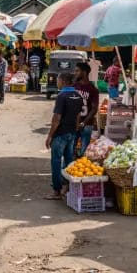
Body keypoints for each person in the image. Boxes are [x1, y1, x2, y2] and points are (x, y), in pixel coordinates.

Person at [44, 72, 83, 200]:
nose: (57, 82)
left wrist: (50, 136)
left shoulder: (62, 96)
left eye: (58, 80)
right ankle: (68, 188)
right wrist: (75, 129)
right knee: (69, 162)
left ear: (64, 81)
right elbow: (78, 116)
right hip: (71, 133)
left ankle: (57, 191)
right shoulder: (78, 96)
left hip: (60, 134)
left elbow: (57, 118)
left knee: (56, 161)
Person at [74, 63, 100, 156]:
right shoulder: (74, 86)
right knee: (70, 149)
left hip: (87, 124)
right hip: (73, 123)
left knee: (84, 152)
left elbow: (94, 109)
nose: (75, 73)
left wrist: (84, 123)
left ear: (84, 72)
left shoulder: (93, 89)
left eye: (77, 71)